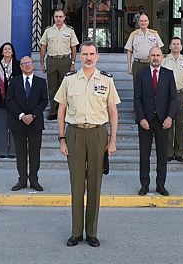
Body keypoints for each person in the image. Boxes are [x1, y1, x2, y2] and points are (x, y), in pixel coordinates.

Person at [55, 41, 120, 248]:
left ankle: (91, 232)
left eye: (92, 54)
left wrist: (112, 140)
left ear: (97, 56)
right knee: (76, 184)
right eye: (85, 54)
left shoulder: (107, 80)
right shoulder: (69, 80)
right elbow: (61, 111)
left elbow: (112, 112)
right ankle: (76, 232)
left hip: (98, 133)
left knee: (94, 184)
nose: (88, 57)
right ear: (79, 57)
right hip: (74, 134)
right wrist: (62, 138)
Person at [134, 47, 177, 196]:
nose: (155, 57)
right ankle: (144, 185)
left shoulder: (169, 74)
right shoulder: (141, 74)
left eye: (158, 55)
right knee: (144, 155)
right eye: (153, 55)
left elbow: (173, 98)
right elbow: (137, 99)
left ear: (162, 57)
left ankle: (161, 185)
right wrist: (141, 118)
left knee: (162, 155)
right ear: (149, 57)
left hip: (163, 121)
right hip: (145, 122)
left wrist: (170, 117)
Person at [6, 56, 49, 191]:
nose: (27, 65)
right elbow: (10, 100)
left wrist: (33, 115)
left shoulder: (41, 82)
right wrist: (22, 115)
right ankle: (22, 180)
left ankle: (34, 180)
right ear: (20, 67)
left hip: (35, 123)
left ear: (33, 64)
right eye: (24, 63)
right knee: (20, 152)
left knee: (35, 152)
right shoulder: (14, 82)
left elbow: (44, 101)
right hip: (18, 123)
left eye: (29, 62)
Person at [39, 8, 79, 121]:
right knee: (52, 87)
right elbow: (43, 47)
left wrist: (72, 63)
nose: (58, 19)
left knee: (65, 87)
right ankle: (53, 111)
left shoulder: (70, 31)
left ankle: (64, 112)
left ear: (64, 18)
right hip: (51, 60)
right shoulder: (48, 31)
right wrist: (42, 63)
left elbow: (73, 48)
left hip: (65, 60)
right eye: (56, 17)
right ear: (54, 18)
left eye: (60, 17)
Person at [0, 42, 21, 158]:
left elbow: (19, 80)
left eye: (9, 49)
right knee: (1, 126)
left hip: (15, 99)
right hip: (1, 98)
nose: (7, 51)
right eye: (5, 49)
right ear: (2, 52)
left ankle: (14, 151)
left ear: (12, 52)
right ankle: (2, 151)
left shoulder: (17, 64)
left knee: (14, 126)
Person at [125, 14, 164, 81]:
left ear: (148, 22)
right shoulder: (133, 34)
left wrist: (160, 64)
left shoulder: (154, 34)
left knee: (151, 86)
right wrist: (129, 66)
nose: (143, 23)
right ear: (138, 22)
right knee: (137, 86)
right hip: (137, 64)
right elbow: (129, 51)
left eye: (145, 21)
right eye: (141, 21)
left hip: (151, 63)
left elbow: (159, 50)